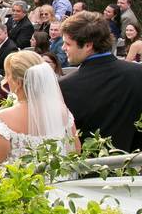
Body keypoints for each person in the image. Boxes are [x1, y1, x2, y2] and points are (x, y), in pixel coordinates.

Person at [60, 12, 142, 151]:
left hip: (89, 168)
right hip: (135, 163)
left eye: (68, 43)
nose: (63, 48)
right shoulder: (138, 73)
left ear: (88, 45)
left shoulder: (66, 86)